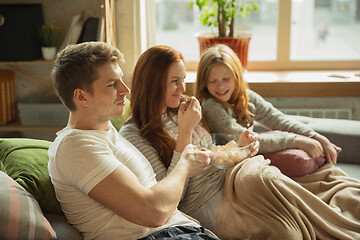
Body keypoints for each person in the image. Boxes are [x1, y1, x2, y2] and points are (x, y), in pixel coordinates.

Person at [121, 45, 360, 239]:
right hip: (204, 201)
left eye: (184, 80)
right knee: (287, 233)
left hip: (234, 179)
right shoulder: (135, 133)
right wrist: (184, 133)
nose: (183, 89)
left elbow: (215, 151)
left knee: (265, 178)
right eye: (175, 81)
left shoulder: (180, 107)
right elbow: (171, 198)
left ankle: (337, 222)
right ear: (153, 83)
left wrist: (240, 147)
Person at [47, 41, 220, 240]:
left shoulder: (107, 132)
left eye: (121, 80)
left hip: (180, 231)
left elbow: (157, 197)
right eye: (112, 84)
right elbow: (153, 212)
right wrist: (186, 163)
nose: (126, 90)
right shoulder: (75, 147)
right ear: (82, 97)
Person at [195, 44, 340, 164]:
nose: (220, 86)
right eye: (212, 81)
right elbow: (242, 139)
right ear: (204, 83)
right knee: (298, 161)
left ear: (237, 77)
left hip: (251, 155)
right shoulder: (210, 106)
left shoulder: (246, 97)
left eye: (226, 79)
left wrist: (316, 137)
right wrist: (296, 141)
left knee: (312, 152)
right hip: (230, 165)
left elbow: (277, 119)